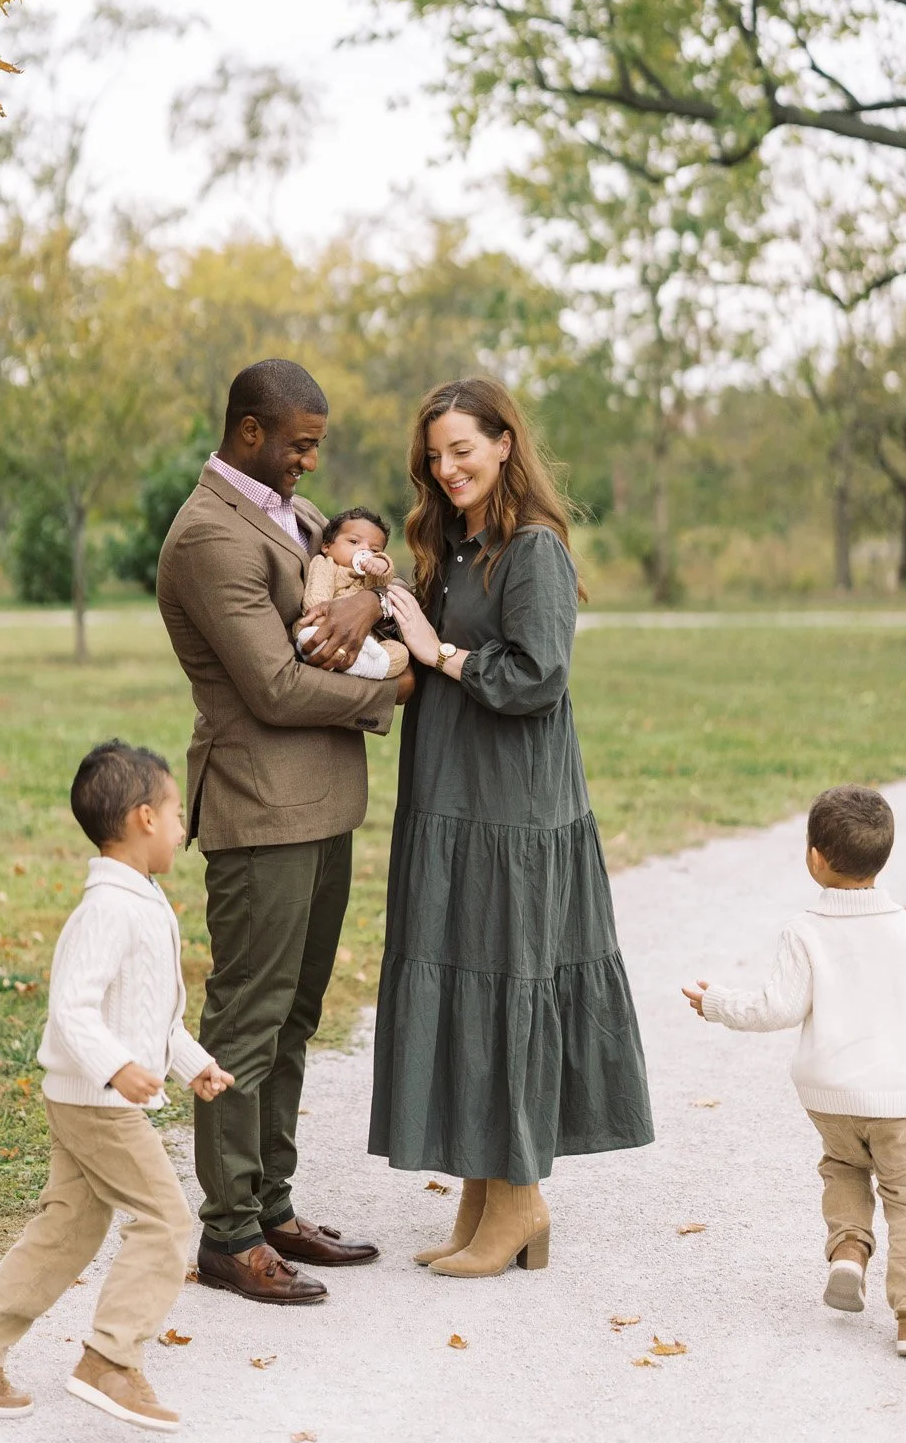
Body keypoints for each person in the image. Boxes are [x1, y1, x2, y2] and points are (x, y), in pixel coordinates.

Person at [373, 376, 654, 1278]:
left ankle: (522, 1195)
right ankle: (484, 1189)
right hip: (450, 795)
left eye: (463, 448)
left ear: (503, 445)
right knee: (463, 973)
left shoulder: (530, 549)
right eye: (434, 453)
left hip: (510, 808)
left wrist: (441, 653)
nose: (446, 466)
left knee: (504, 974)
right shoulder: (452, 546)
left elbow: (538, 676)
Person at [156, 360, 414, 1305]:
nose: (312, 458)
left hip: (322, 805)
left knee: (295, 1018)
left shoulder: (285, 514)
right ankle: (225, 1234)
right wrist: (387, 688)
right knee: (246, 1024)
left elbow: (362, 578)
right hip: (259, 812)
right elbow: (272, 685)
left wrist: (367, 601)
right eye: (300, 441)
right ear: (252, 430)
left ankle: (270, 1205)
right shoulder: (207, 536)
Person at [0, 740, 233, 1431]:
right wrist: (116, 1068)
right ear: (142, 819)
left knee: (69, 1229)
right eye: (175, 811)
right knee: (166, 1220)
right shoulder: (109, 910)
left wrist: (192, 1064)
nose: (183, 825)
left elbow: (148, 1012)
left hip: (87, 1094)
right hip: (97, 1101)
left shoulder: (141, 899)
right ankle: (111, 1361)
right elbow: (72, 1009)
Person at [682, 783, 906, 1358]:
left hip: (828, 1097)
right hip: (898, 1100)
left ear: (815, 857)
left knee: (844, 1167)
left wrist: (718, 1002)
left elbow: (779, 1008)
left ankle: (848, 1250)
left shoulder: (805, 930)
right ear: (884, 855)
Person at [296, 506, 410, 680]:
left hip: (366, 642)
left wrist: (382, 565)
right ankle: (350, 661)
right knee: (306, 634)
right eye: (354, 542)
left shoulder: (368, 578)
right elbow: (316, 597)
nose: (364, 552)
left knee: (401, 654)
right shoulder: (326, 565)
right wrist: (322, 619)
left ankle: (359, 664)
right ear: (327, 546)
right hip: (326, 627)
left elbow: (380, 589)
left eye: (374, 550)